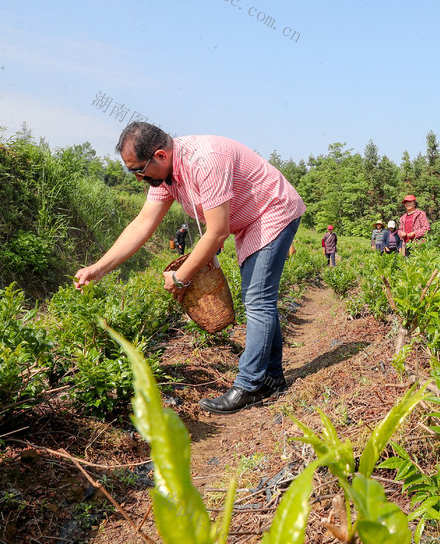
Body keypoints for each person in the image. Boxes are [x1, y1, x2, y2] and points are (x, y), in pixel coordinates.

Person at [74, 122, 306, 415]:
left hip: (272, 210)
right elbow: (143, 224)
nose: (137, 178)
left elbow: (218, 232)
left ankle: (250, 384)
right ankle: (271, 377)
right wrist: (99, 268)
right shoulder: (166, 174)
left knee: (257, 298)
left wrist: (181, 277)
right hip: (248, 220)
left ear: (160, 155)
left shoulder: (205, 161)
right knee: (257, 298)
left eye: (138, 170)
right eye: (130, 171)